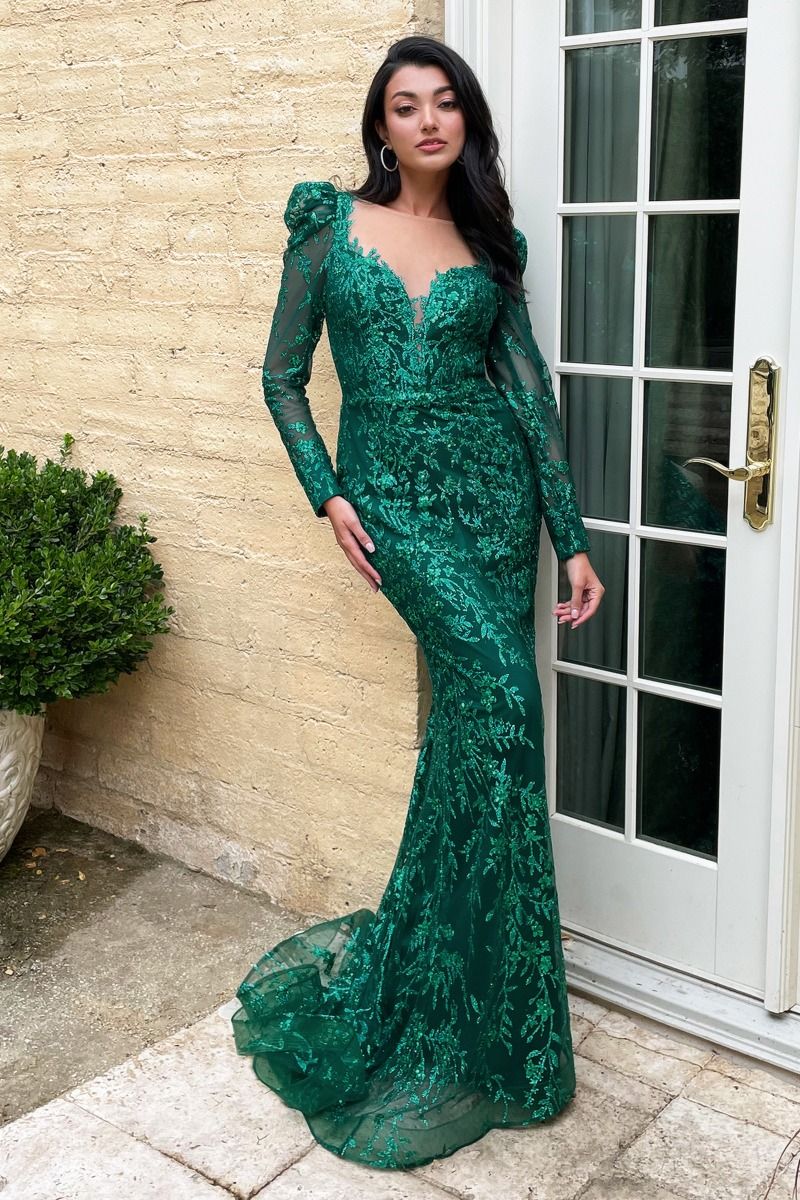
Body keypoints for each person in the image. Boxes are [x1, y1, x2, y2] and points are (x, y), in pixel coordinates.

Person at [230, 33, 604, 1172]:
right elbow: (280, 375)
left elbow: (528, 396)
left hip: (493, 506)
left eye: (446, 103)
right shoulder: (327, 228)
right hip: (393, 507)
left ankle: (481, 1003)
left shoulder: (488, 247)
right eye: (406, 104)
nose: (429, 120)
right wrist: (326, 492)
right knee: (503, 712)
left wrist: (571, 539)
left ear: (466, 122)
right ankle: (448, 999)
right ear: (381, 126)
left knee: (477, 737)